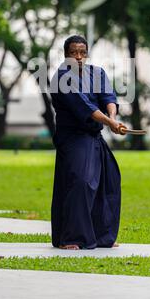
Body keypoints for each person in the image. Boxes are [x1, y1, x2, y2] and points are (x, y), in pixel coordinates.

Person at [50, 35, 127, 250]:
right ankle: (71, 237)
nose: (79, 57)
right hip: (73, 138)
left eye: (82, 52)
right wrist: (110, 123)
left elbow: (108, 98)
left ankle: (102, 237)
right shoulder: (62, 78)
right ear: (66, 56)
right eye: (73, 52)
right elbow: (85, 107)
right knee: (81, 182)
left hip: (94, 137)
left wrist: (113, 117)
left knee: (109, 180)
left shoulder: (97, 73)